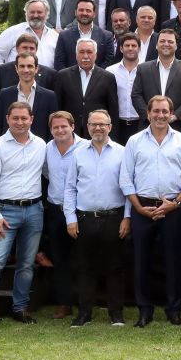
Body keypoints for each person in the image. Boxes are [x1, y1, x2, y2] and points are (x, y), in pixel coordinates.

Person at [120, 95, 181, 327]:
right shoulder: (134, 141)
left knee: (174, 261)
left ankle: (173, 310)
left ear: (171, 114)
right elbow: (125, 179)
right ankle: (145, 311)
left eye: (165, 111)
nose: (161, 115)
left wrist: (176, 203)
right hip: (142, 207)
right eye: (156, 111)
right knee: (141, 261)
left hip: (173, 208)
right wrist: (138, 208)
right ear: (148, 114)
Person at [0, 102, 48, 334]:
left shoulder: (41, 145)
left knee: (26, 265)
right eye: (15, 118)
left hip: (34, 211)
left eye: (24, 118)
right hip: (4, 212)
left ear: (31, 119)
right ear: (7, 119)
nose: (20, 122)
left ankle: (20, 308)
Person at [63, 109, 130, 327]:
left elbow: (130, 188)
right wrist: (70, 218)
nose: (98, 128)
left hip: (114, 218)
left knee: (115, 268)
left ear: (110, 127)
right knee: (84, 268)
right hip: (84, 219)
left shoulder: (123, 152)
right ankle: (84, 313)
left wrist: (127, 217)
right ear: (88, 127)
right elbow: (70, 188)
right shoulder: (77, 154)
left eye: (102, 124)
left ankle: (116, 313)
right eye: (94, 124)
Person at [42, 111, 89, 320]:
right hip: (55, 210)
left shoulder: (86, 147)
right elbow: (45, 173)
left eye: (64, 126)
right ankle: (64, 303)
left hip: (80, 211)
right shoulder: (46, 149)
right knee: (60, 259)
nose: (60, 130)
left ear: (72, 126)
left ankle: (86, 302)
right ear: (51, 129)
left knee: (83, 259)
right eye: (55, 127)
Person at [131, 29, 181, 137]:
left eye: (170, 42)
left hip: (179, 127)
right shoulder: (143, 68)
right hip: (148, 127)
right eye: (162, 41)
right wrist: (149, 115)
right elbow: (136, 95)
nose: (166, 44)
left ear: (176, 46)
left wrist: (175, 116)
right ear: (156, 45)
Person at [53, 38, 120, 137]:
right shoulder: (63, 75)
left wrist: (112, 137)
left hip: (97, 133)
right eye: (81, 52)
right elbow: (57, 107)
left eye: (89, 52)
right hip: (70, 133)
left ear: (96, 55)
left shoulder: (108, 77)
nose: (85, 56)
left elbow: (113, 110)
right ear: (76, 55)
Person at [0, 53, 58, 140]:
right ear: (16, 69)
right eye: (22, 66)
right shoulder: (4, 94)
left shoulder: (49, 96)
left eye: (30, 66)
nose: (26, 70)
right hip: (8, 148)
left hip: (39, 149)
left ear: (36, 69)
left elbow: (53, 125)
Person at [0, 33, 58, 119]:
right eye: (25, 48)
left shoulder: (49, 74)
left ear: (36, 50)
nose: (28, 51)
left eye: (32, 48)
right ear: (17, 49)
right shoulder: (2, 70)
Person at [0, 0, 60, 71]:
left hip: (48, 81)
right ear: (26, 13)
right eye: (32, 12)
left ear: (47, 14)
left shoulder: (55, 36)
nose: (35, 15)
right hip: (17, 81)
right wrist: (4, 76)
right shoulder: (13, 32)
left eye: (39, 12)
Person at [54, 0, 115, 70]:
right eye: (81, 10)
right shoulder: (64, 36)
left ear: (94, 14)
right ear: (75, 12)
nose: (84, 13)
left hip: (98, 80)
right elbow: (59, 63)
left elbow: (109, 62)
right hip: (70, 80)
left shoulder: (106, 36)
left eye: (88, 11)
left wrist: (95, 77)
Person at [106, 33, 143, 144]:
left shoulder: (147, 70)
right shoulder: (110, 71)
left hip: (140, 123)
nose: (130, 48)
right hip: (117, 124)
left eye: (134, 45)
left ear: (139, 48)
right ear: (121, 48)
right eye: (127, 46)